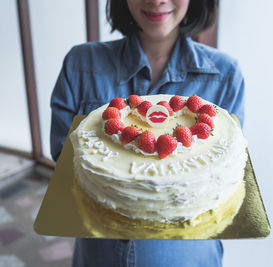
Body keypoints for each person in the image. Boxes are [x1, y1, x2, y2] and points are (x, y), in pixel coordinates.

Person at [50, 0, 245, 266]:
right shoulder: (80, 64)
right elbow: (66, 160)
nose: (156, 1)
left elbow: (227, 172)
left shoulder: (225, 75)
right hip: (98, 255)